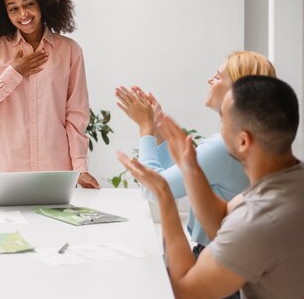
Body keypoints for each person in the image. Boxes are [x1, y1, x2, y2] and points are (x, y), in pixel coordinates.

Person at [117, 76, 304, 299]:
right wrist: (191, 169)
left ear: (243, 141)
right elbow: (222, 218)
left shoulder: (260, 219)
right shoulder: (290, 179)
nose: (218, 133)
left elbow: (186, 291)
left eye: (223, 121)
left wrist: (165, 196)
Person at [115, 51, 275, 255]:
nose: (210, 80)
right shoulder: (251, 139)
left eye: (217, 77)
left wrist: (145, 127)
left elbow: (156, 189)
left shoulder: (225, 146)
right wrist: (156, 128)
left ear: (237, 91)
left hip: (216, 260)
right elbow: (184, 176)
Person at [0, 0, 99, 188]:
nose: (23, 15)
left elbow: (76, 115)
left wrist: (80, 168)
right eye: (13, 9)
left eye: (29, 4)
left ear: (43, 2)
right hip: (8, 168)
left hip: (56, 168)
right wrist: (14, 72)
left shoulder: (70, 51)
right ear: (4, 12)